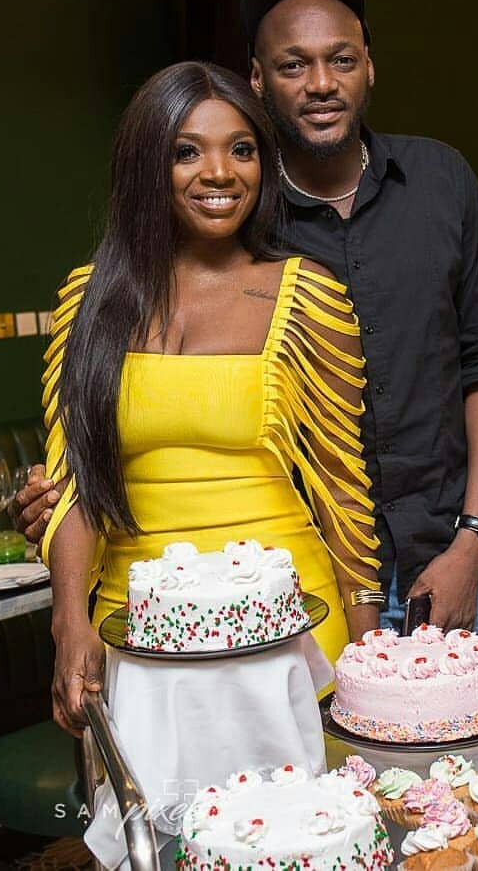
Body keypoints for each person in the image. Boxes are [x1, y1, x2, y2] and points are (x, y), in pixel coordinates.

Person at [13, 0, 478, 654]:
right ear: (258, 79)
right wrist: (54, 505)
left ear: (369, 65)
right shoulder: (239, 223)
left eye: (341, 59)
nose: (321, 83)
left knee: (463, 722)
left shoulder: (440, 181)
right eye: (293, 65)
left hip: (446, 554)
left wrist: (474, 541)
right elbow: (121, 434)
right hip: (285, 586)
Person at [41, 61, 382, 737]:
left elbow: (344, 490)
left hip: (290, 629)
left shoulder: (306, 295)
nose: (220, 172)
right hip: (138, 638)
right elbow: (74, 483)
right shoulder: (89, 302)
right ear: (147, 166)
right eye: (186, 152)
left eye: (242, 149)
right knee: (154, 807)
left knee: (304, 805)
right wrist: (67, 621)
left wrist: (368, 651)